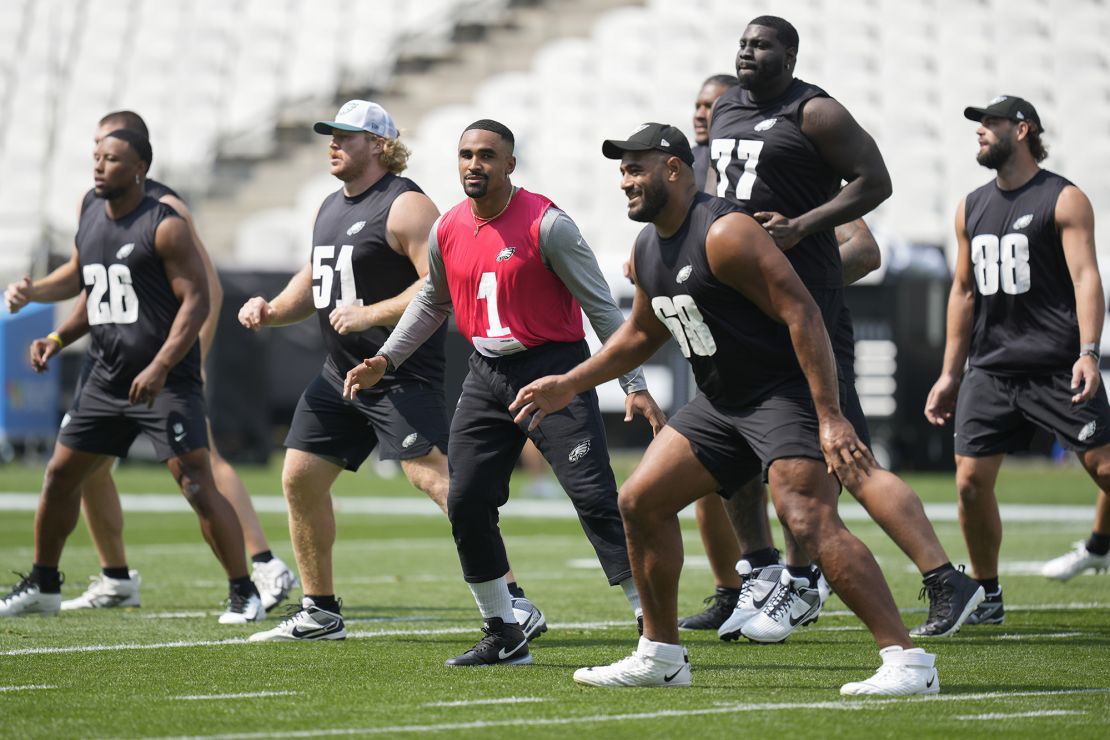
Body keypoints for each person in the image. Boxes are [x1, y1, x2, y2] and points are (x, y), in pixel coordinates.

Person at [511, 123, 938, 695]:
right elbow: (641, 332)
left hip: (781, 393)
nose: (624, 181)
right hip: (721, 403)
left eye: (636, 168)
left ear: (674, 169)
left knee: (807, 519)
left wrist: (830, 414)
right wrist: (570, 382)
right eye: (622, 169)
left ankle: (907, 661)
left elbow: (803, 314)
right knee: (640, 501)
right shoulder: (648, 244)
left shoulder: (726, 231)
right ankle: (661, 654)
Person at [344, 119, 664, 666]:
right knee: (465, 502)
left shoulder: (548, 223)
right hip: (487, 373)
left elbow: (603, 308)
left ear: (509, 164)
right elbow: (430, 302)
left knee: (593, 498)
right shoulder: (447, 228)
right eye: (466, 154)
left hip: (553, 370)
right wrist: (386, 358)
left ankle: (651, 624)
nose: (475, 164)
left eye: (488, 155)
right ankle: (504, 629)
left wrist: (632, 382)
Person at [707, 15, 983, 640]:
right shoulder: (727, 107)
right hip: (746, 312)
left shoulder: (817, 112)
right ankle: (784, 581)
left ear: (791, 54)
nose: (749, 52)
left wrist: (804, 225)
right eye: (743, 43)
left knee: (846, 455)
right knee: (745, 460)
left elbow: (876, 184)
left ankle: (943, 579)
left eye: (762, 44)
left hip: (804, 309)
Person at [238, 102, 545, 642]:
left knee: (438, 481)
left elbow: (440, 286)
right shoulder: (330, 206)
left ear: (379, 144)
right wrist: (271, 310)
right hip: (340, 372)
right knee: (299, 479)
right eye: (330, 135)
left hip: (397, 372)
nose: (333, 144)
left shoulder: (406, 206)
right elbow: (314, 281)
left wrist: (372, 314)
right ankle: (321, 610)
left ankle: (513, 601)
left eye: (346, 136)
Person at [5, 110, 296, 613]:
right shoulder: (91, 208)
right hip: (106, 373)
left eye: (110, 154)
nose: (99, 162)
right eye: (95, 152)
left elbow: (204, 294)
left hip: (163, 373)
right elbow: (93, 282)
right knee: (64, 474)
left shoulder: (165, 218)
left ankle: (255, 574)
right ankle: (64, 581)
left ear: (138, 163)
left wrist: (173, 362)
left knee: (199, 477)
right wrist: (51, 323)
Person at [925, 95, 1110, 624]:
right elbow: (962, 292)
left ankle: (1099, 542)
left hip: (1056, 366)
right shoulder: (970, 205)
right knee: (969, 484)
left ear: (1023, 129)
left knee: (1105, 468)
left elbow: (1086, 279)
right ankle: (987, 595)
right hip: (991, 368)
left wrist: (1089, 352)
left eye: (990, 123)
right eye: (978, 124)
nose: (980, 131)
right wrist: (948, 374)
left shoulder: (1064, 198)